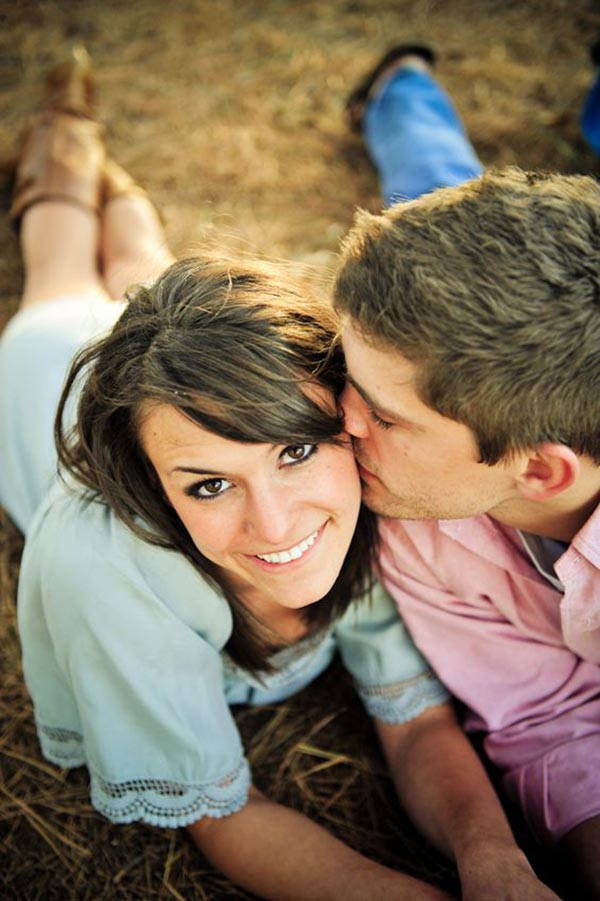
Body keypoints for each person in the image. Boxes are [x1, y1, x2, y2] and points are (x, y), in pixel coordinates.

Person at [0, 49, 556, 901]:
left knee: (145, 264)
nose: (275, 523)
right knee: (61, 268)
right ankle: (67, 131)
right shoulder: (111, 571)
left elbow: (415, 719)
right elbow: (222, 813)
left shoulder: (382, 482)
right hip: (45, 372)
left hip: (189, 381)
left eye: (295, 451)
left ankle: (101, 169)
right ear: (154, 489)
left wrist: (493, 859)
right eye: (209, 485)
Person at [335, 44, 600, 900]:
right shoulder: (419, 510)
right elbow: (546, 719)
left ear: (544, 472)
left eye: (385, 413)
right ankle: (401, 84)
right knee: (432, 178)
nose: (338, 419)